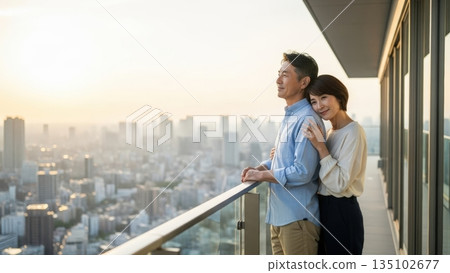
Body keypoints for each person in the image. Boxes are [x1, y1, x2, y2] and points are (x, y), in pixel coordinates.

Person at [241, 51, 325, 255]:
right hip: (279, 217)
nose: (278, 80)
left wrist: (260, 176)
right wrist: (262, 167)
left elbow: (302, 171)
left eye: (285, 75)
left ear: (304, 82)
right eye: (279, 73)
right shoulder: (290, 117)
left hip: (297, 220)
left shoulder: (307, 119)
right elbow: (282, 159)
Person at [302, 74, 367, 255]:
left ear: (339, 96)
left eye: (323, 97)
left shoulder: (353, 131)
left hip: (342, 212)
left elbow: (339, 183)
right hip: (323, 209)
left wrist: (321, 147)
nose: (319, 106)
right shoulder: (330, 132)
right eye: (313, 101)